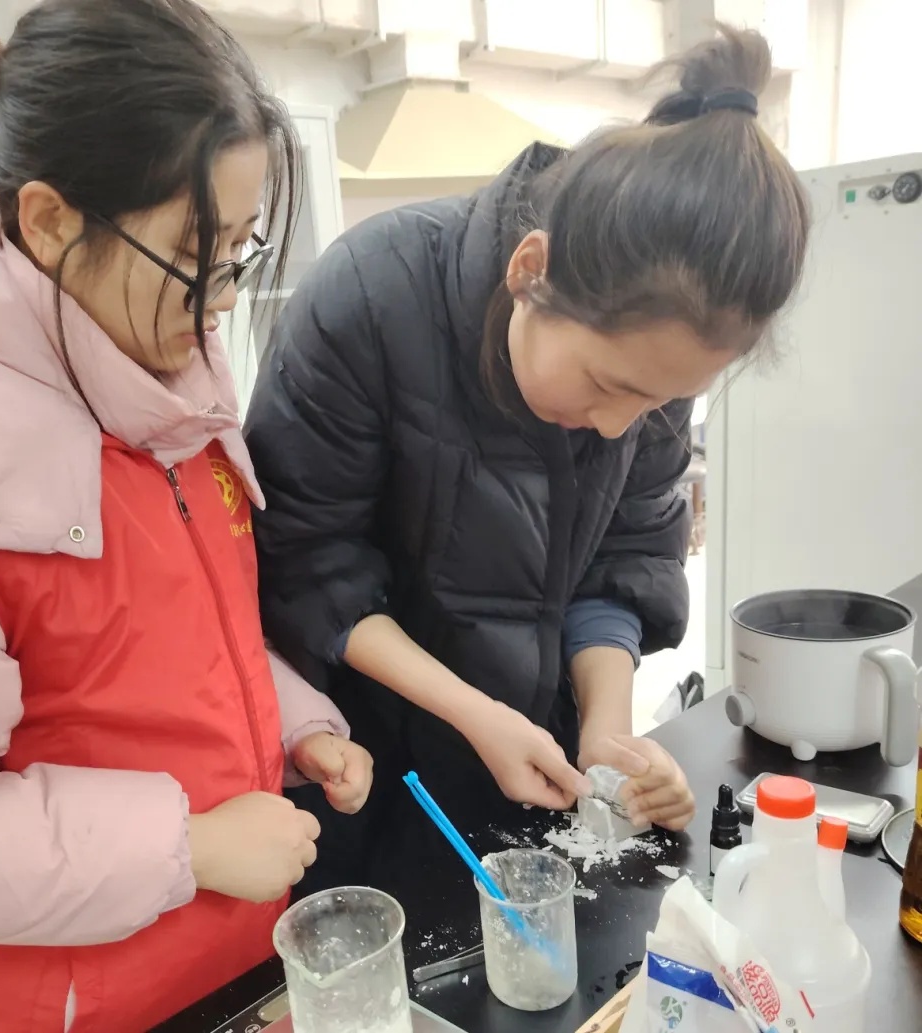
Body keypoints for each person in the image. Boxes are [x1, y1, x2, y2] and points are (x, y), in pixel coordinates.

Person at [0, 3, 373, 1032]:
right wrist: (192, 845)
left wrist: (290, 723)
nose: (223, 299)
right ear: (48, 221)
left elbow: (170, 638)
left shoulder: (160, 376)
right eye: (197, 252)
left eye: (240, 250)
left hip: (222, 965)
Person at [245, 25, 810, 885]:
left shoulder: (650, 365)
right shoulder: (369, 297)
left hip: (530, 759)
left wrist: (608, 729)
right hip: (360, 764)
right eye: (608, 384)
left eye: (658, 404)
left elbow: (624, 556)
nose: (620, 428)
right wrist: (474, 712)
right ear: (529, 269)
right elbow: (307, 561)